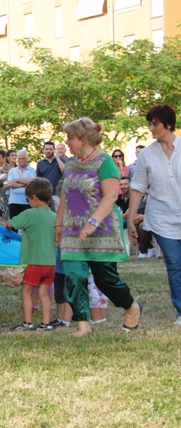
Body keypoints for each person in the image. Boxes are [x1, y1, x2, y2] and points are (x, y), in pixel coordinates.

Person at [57, 117, 142, 336]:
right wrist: (58, 224)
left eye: (70, 137)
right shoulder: (70, 164)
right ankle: (82, 324)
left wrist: (92, 223)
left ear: (83, 139)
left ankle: (131, 307)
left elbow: (111, 195)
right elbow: (65, 195)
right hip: (72, 231)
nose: (66, 142)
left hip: (102, 230)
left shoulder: (105, 162)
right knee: (74, 277)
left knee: (106, 281)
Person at [128, 104, 181, 325]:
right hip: (161, 218)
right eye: (149, 124)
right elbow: (137, 187)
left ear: (168, 124)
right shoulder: (147, 154)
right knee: (174, 263)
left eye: (154, 124)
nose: (150, 128)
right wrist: (131, 218)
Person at [8, 178, 56, 331]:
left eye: (28, 199)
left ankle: (27, 323)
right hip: (51, 263)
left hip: (35, 262)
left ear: (34, 197)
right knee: (43, 293)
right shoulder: (54, 216)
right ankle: (46, 323)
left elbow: (10, 224)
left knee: (26, 291)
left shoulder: (30, 214)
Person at [4, 149, 36, 219]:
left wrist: (17, 180)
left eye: (23, 158)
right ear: (17, 159)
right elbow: (10, 183)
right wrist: (25, 183)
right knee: (14, 223)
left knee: (27, 222)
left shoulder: (32, 170)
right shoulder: (12, 171)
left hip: (27, 201)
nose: (21, 160)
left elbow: (32, 182)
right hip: (14, 201)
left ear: (27, 159)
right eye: (20, 158)